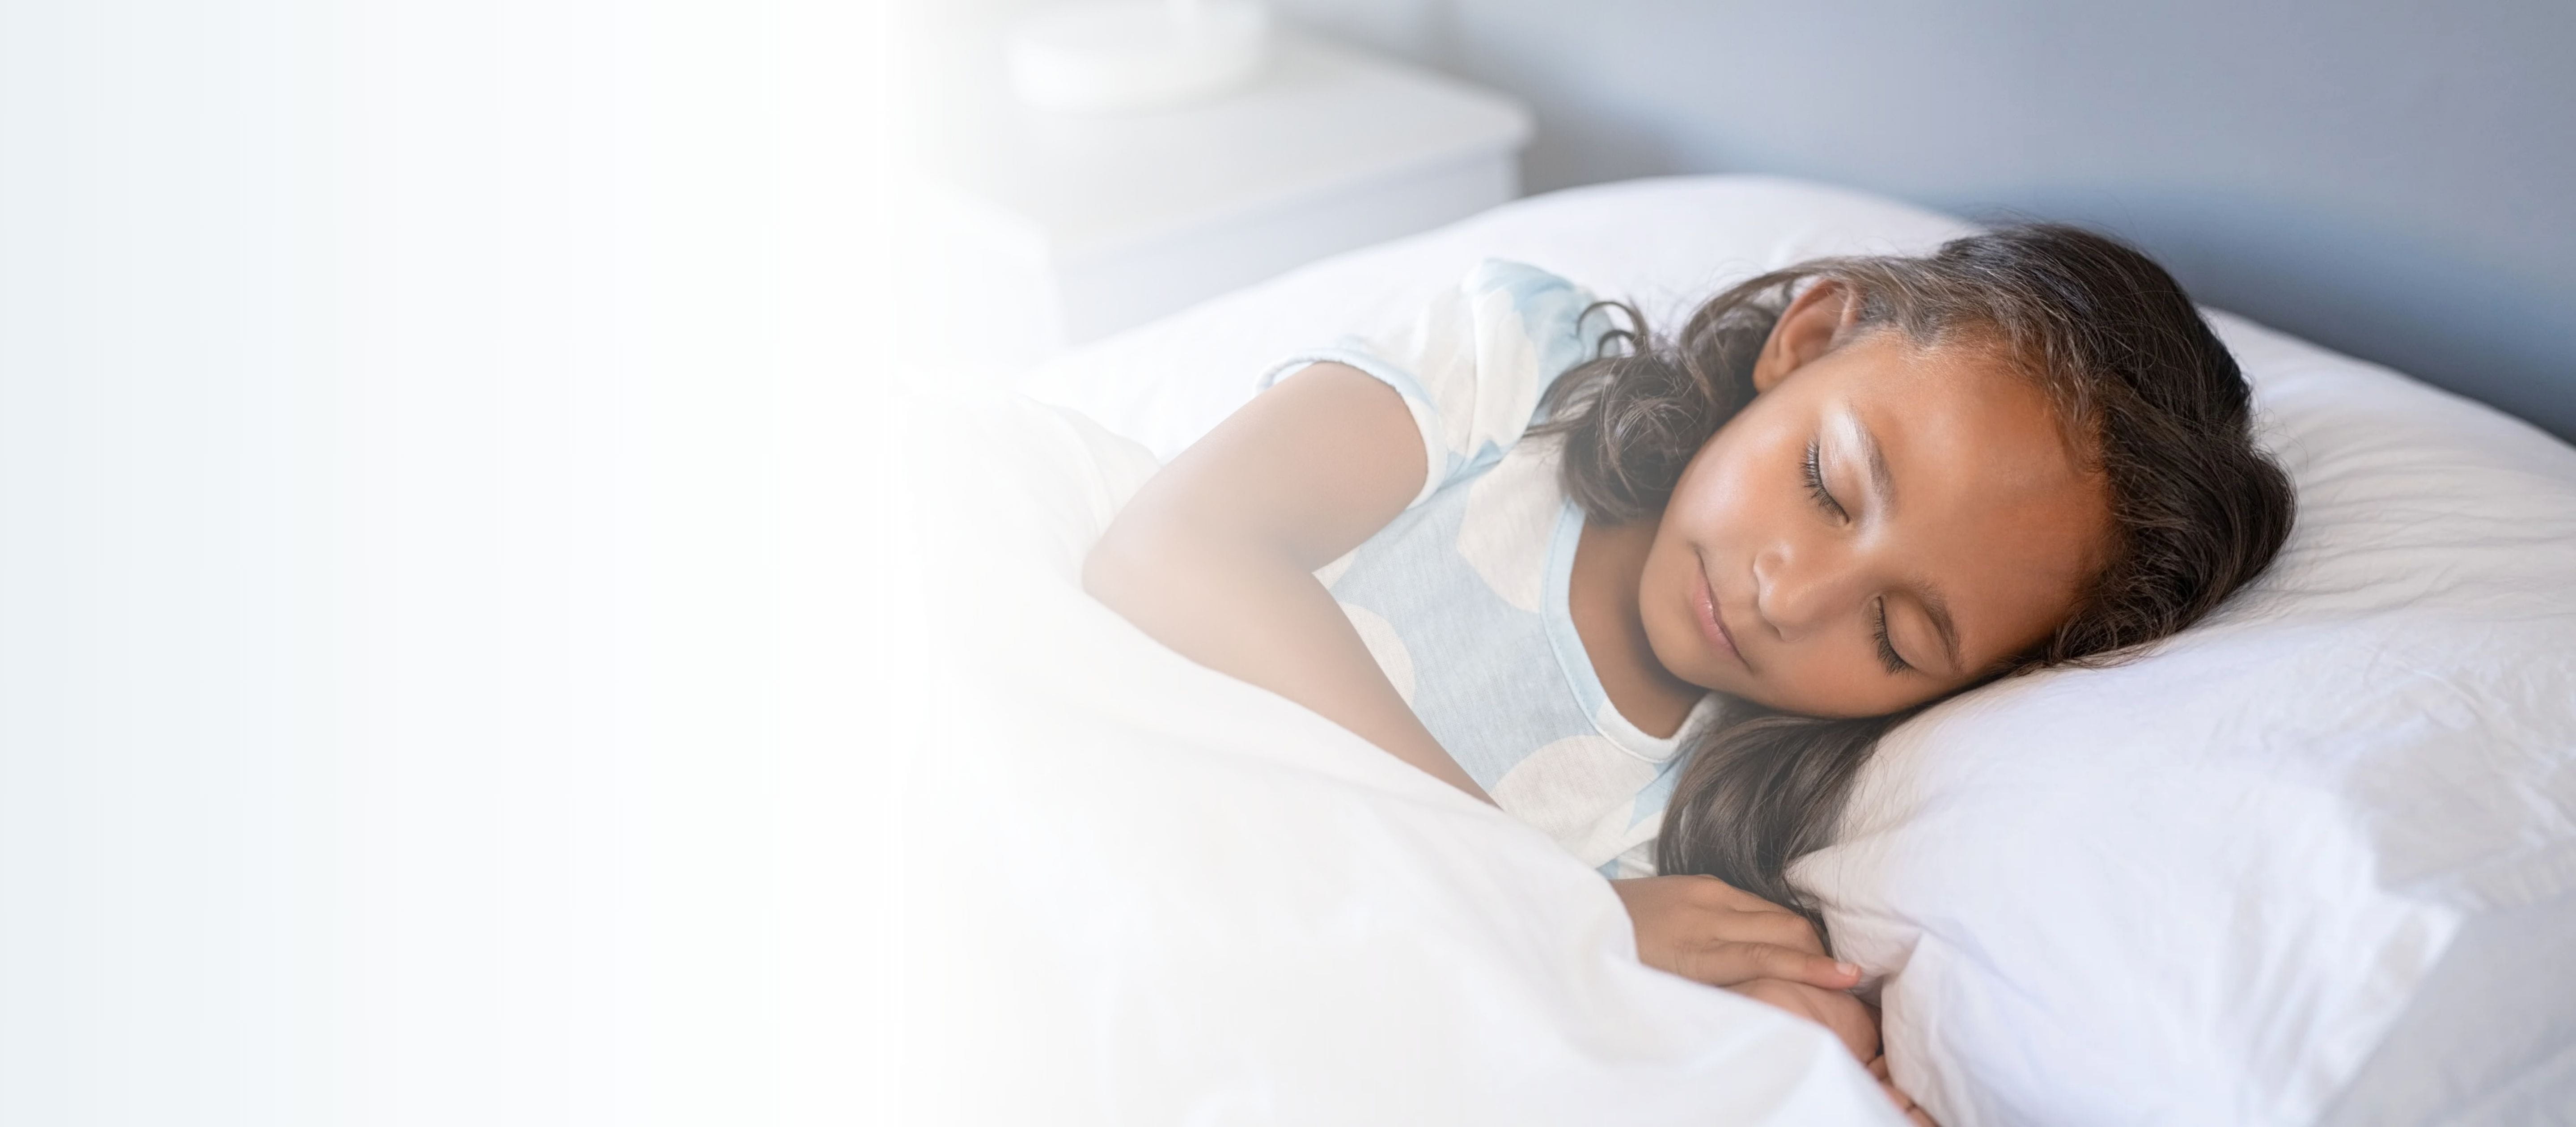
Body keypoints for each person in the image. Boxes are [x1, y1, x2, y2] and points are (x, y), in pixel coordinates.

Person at [1082, 225, 2295, 1117]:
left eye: (1898, 638)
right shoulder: (1515, 368)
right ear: (1809, 337)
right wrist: (1541, 902)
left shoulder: (1696, 830)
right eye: (1828, 485)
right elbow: (1171, 550)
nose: (1791, 595)